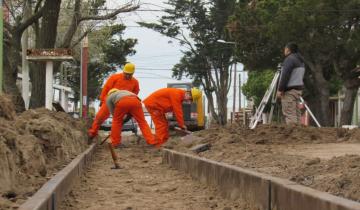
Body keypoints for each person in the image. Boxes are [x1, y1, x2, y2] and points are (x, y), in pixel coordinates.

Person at [88, 63, 139, 139]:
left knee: (118, 122)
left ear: (133, 73)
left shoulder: (135, 82)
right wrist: (102, 100)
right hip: (109, 101)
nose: (127, 76)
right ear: (123, 71)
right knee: (100, 117)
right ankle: (92, 134)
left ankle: (116, 141)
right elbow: (106, 89)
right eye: (126, 74)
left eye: (130, 74)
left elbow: (135, 93)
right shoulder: (114, 78)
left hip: (122, 104)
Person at [276, 42, 305, 124]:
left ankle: (294, 135)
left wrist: (280, 89)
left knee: (289, 115)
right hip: (298, 91)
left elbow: (285, 75)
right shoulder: (301, 60)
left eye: (285, 49)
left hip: (289, 92)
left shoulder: (289, 59)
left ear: (288, 50)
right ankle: (299, 133)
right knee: (296, 114)